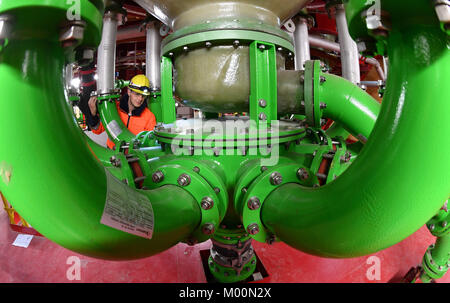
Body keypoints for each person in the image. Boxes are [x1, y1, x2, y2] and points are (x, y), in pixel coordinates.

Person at [88, 74, 156, 149]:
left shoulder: (149, 117)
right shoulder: (114, 108)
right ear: (129, 91)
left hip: (134, 157)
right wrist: (93, 114)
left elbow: (149, 144)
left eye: (143, 96)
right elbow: (98, 130)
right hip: (112, 154)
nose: (140, 99)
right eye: (137, 94)